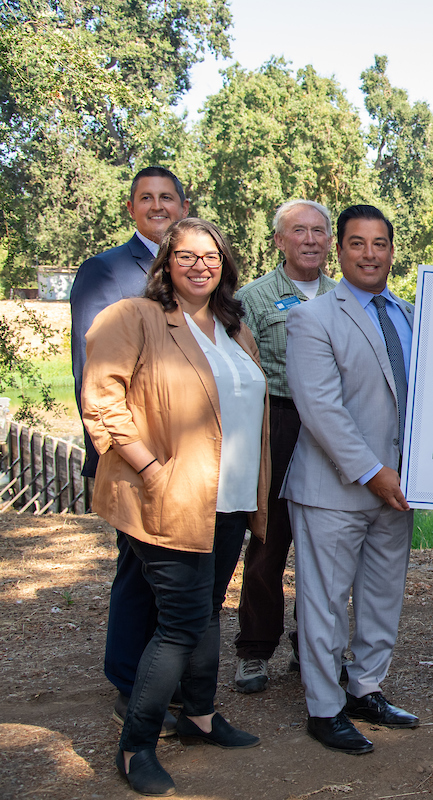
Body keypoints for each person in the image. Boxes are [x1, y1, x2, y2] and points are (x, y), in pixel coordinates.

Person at [82, 218, 268, 796]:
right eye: (185, 255)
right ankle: (136, 744)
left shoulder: (234, 327)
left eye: (210, 256)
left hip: (230, 498)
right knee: (181, 623)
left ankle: (199, 715)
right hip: (168, 497)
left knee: (208, 608)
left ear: (224, 264)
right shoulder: (134, 317)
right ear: (166, 263)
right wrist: (148, 466)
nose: (199, 265)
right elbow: (102, 394)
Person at [283, 205, 419, 755]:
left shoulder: (412, 315)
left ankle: (366, 688)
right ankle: (324, 707)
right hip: (334, 488)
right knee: (325, 602)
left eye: (380, 243)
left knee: (384, 596)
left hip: (401, 487)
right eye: (358, 243)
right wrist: (373, 472)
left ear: (391, 250)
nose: (369, 254)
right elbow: (320, 408)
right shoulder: (312, 318)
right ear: (339, 251)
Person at [70, 166, 190, 735]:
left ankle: (166, 679)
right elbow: (90, 376)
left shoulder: (192, 270)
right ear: (131, 208)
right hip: (135, 453)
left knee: (174, 573)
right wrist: (126, 455)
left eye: (167, 197)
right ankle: (127, 683)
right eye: (147, 198)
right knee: (138, 570)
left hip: (186, 456)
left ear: (183, 205)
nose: (158, 206)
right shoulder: (107, 272)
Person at [232, 200, 338, 694]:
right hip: (277, 421)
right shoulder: (251, 300)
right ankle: (254, 650)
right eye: (299, 231)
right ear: (279, 240)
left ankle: (315, 646)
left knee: (325, 548)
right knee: (269, 545)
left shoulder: (346, 298)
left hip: (331, 429)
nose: (311, 240)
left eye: (319, 231)